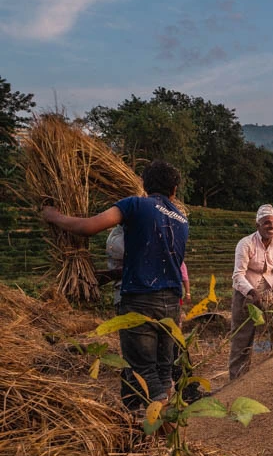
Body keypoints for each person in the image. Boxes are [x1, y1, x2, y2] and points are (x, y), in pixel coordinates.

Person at [41, 160, 188, 410]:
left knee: (144, 372)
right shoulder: (182, 219)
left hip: (139, 300)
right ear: (174, 189)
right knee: (164, 373)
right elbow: (151, 259)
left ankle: (159, 431)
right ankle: (165, 434)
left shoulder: (135, 204)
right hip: (171, 303)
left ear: (143, 184)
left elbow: (87, 227)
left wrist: (54, 216)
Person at [229, 204, 273, 380]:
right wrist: (252, 292)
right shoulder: (245, 244)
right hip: (245, 295)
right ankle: (237, 381)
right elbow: (238, 275)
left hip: (270, 296)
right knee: (242, 339)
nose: (272, 226)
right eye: (267, 223)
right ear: (258, 226)